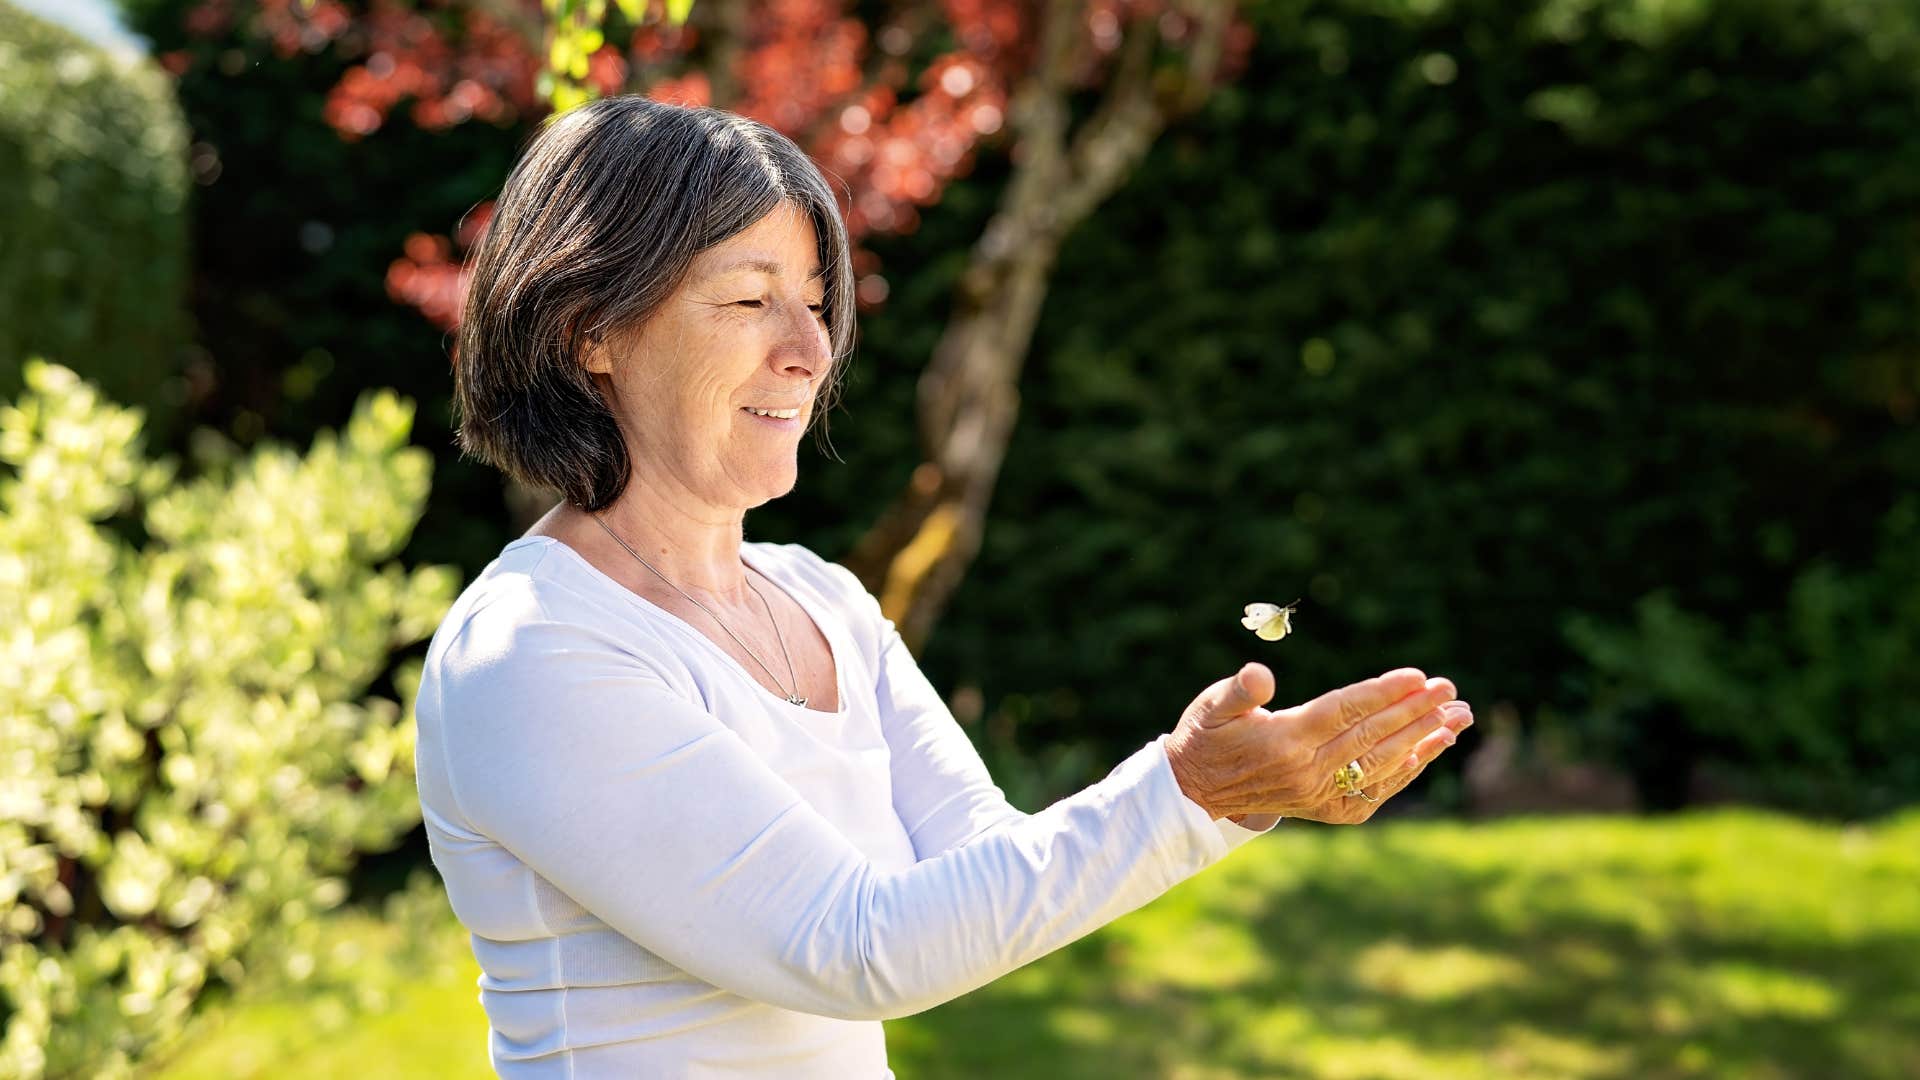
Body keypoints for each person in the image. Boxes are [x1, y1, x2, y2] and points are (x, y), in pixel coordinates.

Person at [413, 96, 1473, 1079]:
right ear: (585, 331)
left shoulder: (821, 599)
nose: (811, 349)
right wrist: (1187, 797)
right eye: (748, 300)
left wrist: (1221, 792)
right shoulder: (535, 652)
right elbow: (854, 946)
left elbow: (981, 878)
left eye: (818, 304)